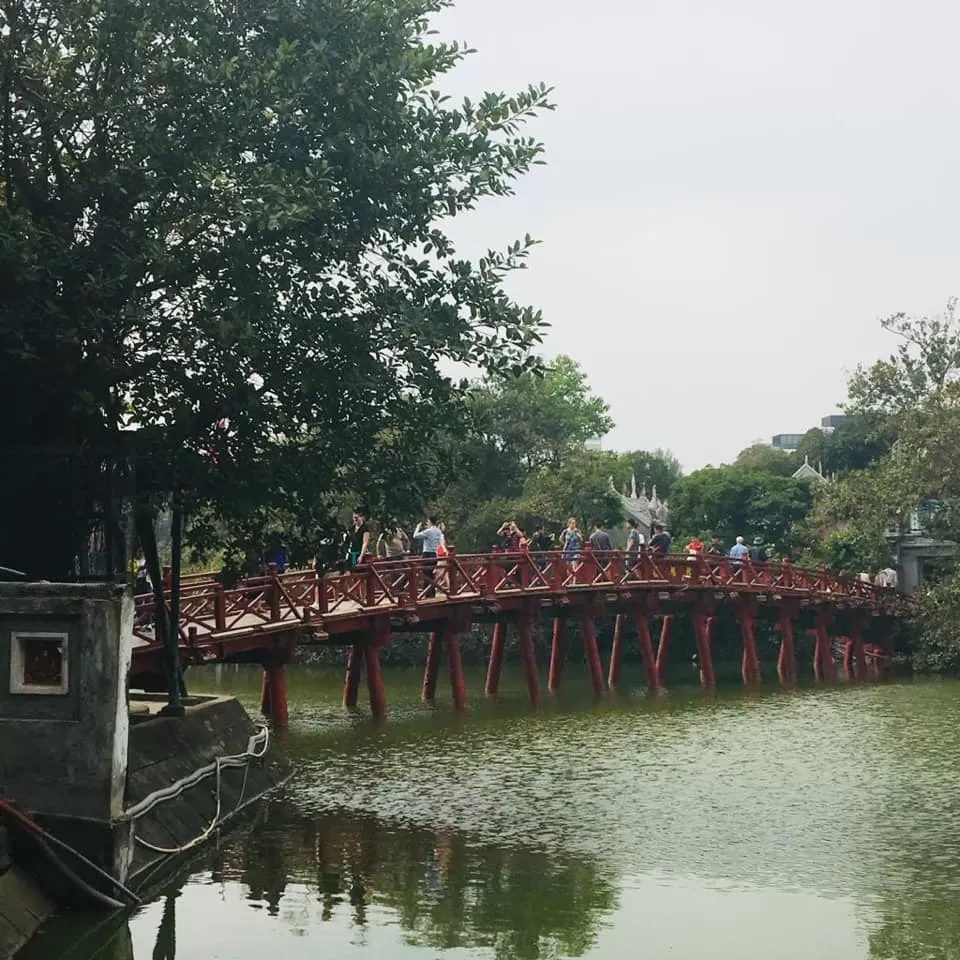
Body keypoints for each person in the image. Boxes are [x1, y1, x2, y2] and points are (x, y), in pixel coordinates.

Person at [413, 516, 444, 596]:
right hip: (434, 554)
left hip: (427, 554)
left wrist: (417, 527)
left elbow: (415, 536)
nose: (427, 523)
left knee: (425, 574)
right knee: (430, 574)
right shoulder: (438, 531)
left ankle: (426, 593)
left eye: (427, 522)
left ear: (430, 521)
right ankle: (431, 592)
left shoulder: (429, 531)